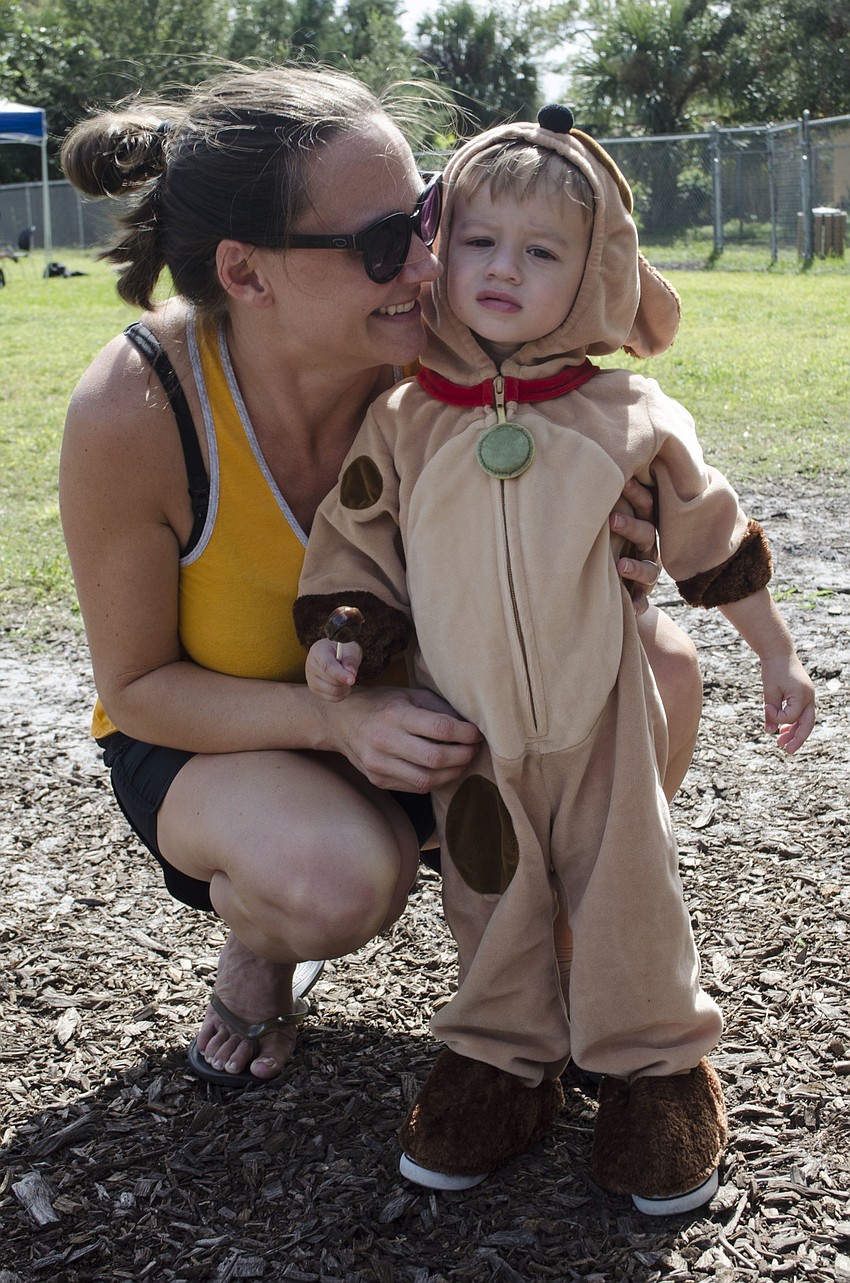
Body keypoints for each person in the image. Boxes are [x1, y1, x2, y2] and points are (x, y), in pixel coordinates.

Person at [58, 66, 694, 1097]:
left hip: (435, 706)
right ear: (248, 274)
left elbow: (622, 353)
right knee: (329, 879)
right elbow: (136, 689)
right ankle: (261, 948)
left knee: (657, 664)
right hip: (225, 737)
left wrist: (621, 530)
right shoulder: (140, 406)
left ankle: (561, 949)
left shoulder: (436, 350)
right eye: (381, 242)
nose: (431, 259)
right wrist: (339, 721)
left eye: (428, 212)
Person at [295, 107, 816, 1212]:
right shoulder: (403, 419)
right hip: (466, 723)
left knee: (626, 887)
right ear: (442, 248)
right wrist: (344, 637)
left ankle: (656, 1072)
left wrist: (773, 652)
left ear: (594, 274)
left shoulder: (627, 414)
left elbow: (710, 537)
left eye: (541, 252)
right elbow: (355, 544)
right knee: (488, 892)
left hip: (600, 722)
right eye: (480, 241)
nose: (503, 269)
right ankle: (498, 1060)